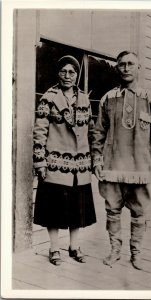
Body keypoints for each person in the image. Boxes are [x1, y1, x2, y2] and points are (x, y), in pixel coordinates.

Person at [91, 50, 151, 270]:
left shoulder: (149, 99)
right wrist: (97, 159)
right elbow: (98, 132)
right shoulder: (108, 99)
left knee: (139, 212)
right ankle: (115, 251)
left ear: (138, 68)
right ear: (117, 68)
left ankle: (136, 254)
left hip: (140, 167)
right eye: (121, 64)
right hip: (112, 166)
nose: (126, 68)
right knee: (112, 210)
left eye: (130, 64)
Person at [33, 55, 96, 266]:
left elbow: (92, 131)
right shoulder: (48, 98)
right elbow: (39, 132)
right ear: (58, 73)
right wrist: (40, 162)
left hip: (80, 166)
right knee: (54, 210)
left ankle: (74, 246)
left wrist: (95, 160)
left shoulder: (85, 98)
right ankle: (53, 248)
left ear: (77, 75)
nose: (67, 76)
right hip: (56, 164)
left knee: (77, 210)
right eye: (63, 71)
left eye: (72, 72)